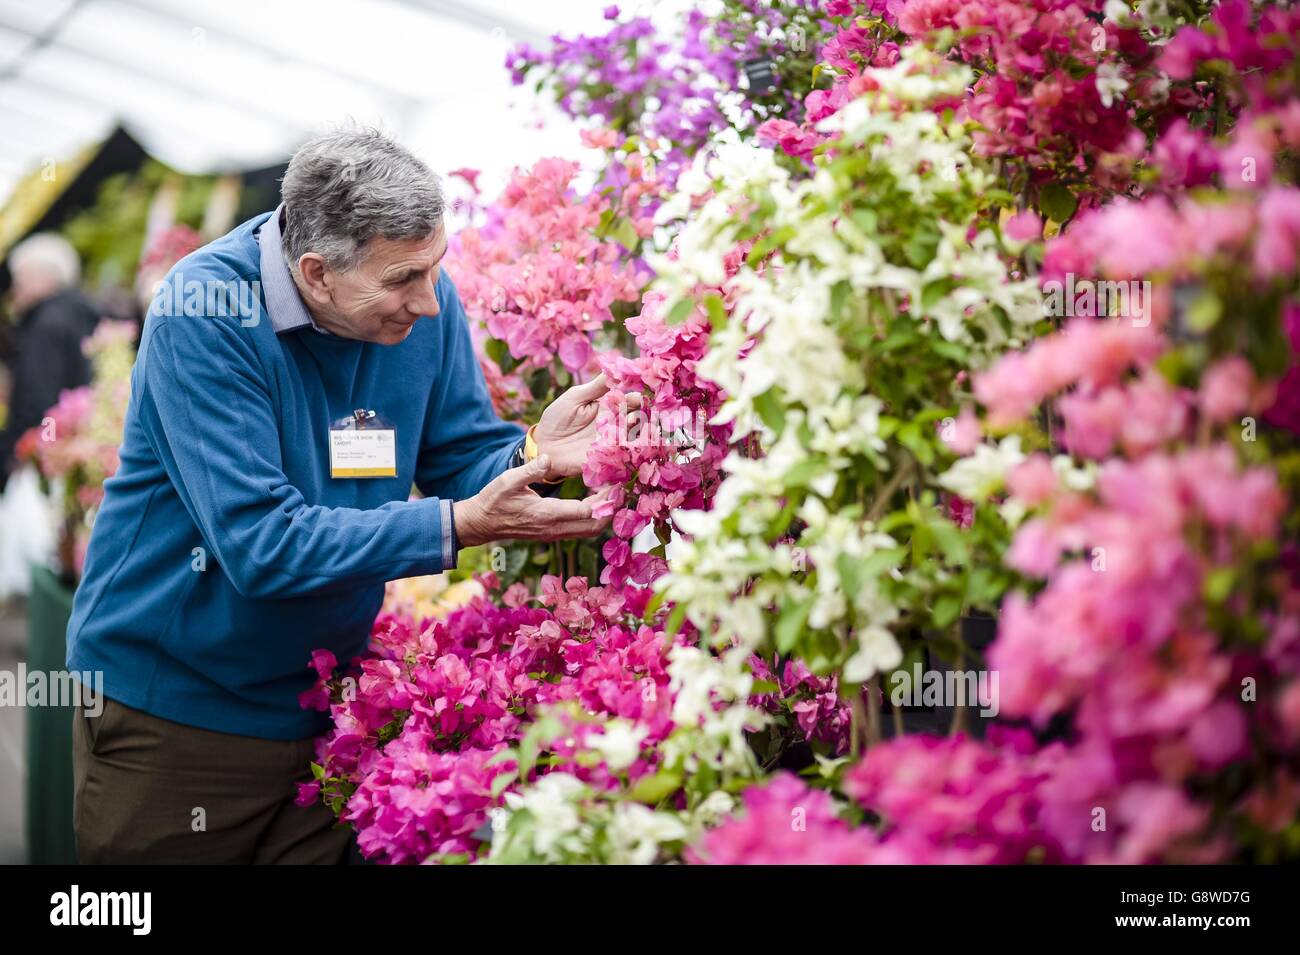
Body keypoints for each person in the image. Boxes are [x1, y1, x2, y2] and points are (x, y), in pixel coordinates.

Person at [67, 127, 619, 863]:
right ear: (317, 271)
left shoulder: (423, 298)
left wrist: (533, 455)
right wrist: (458, 525)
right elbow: (262, 546)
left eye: (435, 268)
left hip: (326, 706)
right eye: (402, 280)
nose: (429, 300)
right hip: (177, 715)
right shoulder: (206, 311)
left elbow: (457, 453)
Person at [0, 234, 100, 492]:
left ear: (44, 278)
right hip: (84, 445)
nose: (15, 291)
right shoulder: (84, 315)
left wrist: (38, 451)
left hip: (51, 457)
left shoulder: (45, 326)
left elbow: (41, 400)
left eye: (20, 280)